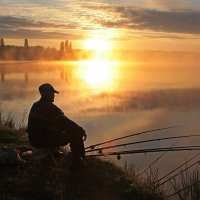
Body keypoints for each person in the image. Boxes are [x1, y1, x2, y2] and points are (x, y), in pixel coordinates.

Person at [27, 83, 87, 168]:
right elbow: (66, 123)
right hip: (41, 141)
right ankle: (78, 161)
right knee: (75, 133)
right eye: (52, 94)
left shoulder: (36, 105)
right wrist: (80, 130)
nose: (53, 96)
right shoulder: (50, 108)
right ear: (45, 94)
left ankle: (55, 151)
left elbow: (59, 123)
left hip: (33, 140)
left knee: (63, 129)